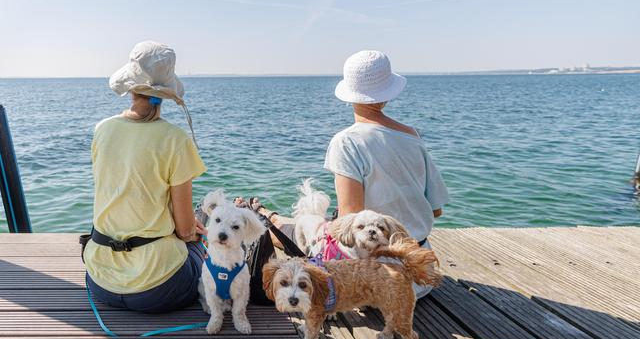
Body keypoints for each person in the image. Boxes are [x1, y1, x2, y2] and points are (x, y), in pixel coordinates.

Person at [254, 50, 449, 298]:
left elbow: (349, 222)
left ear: (349, 95)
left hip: (373, 283)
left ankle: (267, 219)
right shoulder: (413, 136)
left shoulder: (347, 141)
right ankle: (270, 216)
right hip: (420, 276)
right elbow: (435, 211)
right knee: (299, 225)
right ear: (388, 94)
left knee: (296, 229)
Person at [83, 41, 208, 313]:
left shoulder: (102, 130)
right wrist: (192, 232)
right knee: (200, 248)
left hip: (100, 281)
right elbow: (186, 232)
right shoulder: (174, 139)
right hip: (158, 289)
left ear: (131, 86)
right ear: (164, 93)